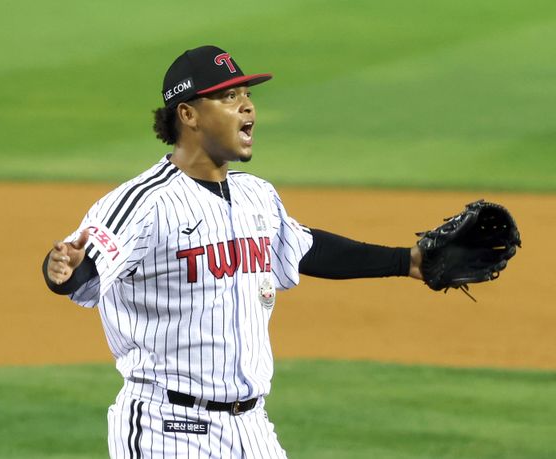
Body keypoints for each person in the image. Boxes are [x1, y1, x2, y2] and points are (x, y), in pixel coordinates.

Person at [42, 45, 422, 458]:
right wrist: (62, 269)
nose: (247, 107)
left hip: (252, 428)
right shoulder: (145, 202)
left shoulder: (256, 194)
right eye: (229, 97)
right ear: (188, 114)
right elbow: (85, 265)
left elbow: (305, 249)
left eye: (247, 95)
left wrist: (407, 261)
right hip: (166, 429)